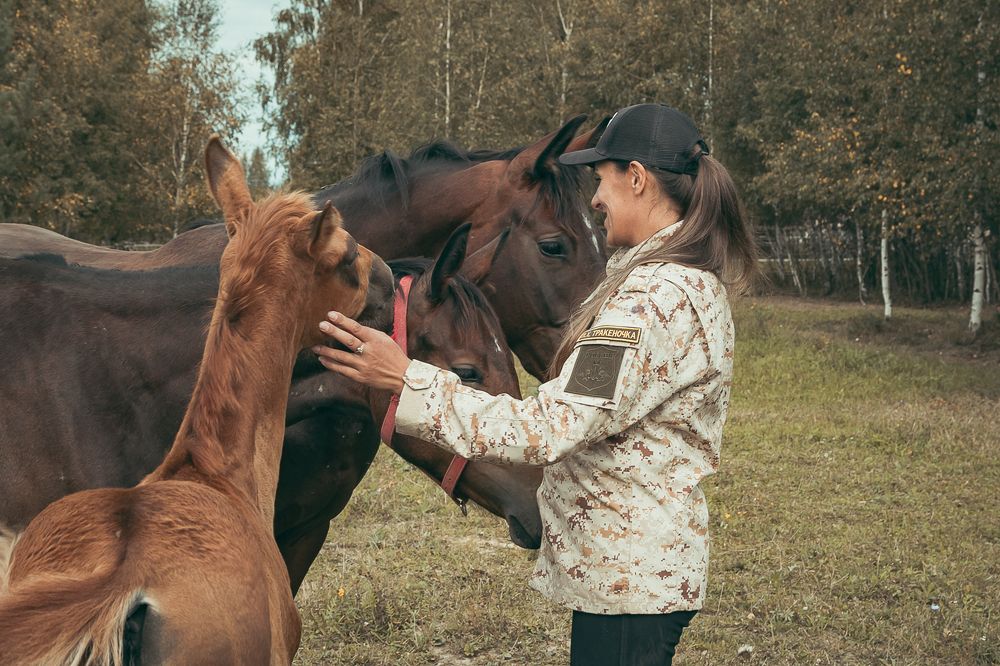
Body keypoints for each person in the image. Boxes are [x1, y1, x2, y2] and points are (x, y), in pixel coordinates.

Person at [312, 103, 759, 665]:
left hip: (628, 583)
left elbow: (549, 428)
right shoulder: (689, 284)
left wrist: (405, 376)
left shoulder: (646, 305)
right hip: (641, 571)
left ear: (638, 179)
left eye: (601, 181)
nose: (595, 200)